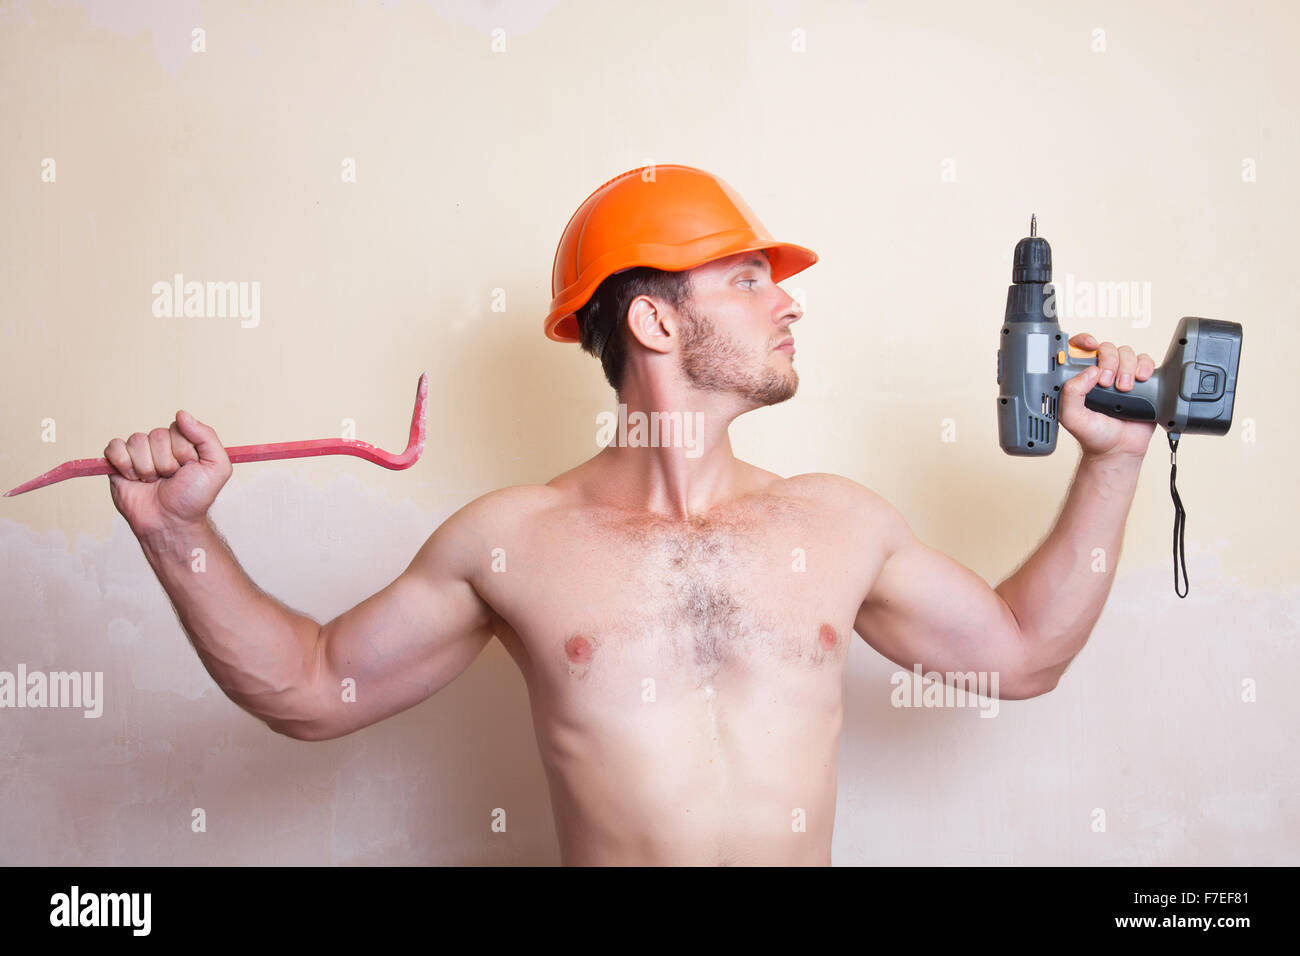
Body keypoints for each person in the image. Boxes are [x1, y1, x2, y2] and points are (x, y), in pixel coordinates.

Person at [104, 164, 1157, 865]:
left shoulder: (840, 523)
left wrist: (1111, 463)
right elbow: (307, 689)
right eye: (748, 280)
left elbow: (1020, 658)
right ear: (654, 317)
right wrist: (175, 534)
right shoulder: (510, 536)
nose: (787, 301)